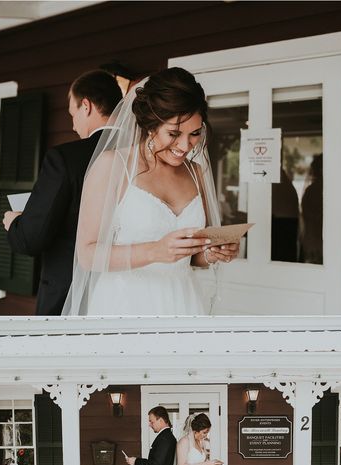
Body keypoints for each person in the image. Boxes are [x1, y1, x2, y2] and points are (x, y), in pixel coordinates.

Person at [64, 67, 240, 316]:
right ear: (150, 125)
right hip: (124, 305)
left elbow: (193, 256)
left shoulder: (196, 172)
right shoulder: (113, 166)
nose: (184, 146)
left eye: (195, 134)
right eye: (174, 133)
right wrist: (154, 251)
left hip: (183, 301)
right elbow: (87, 254)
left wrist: (212, 252)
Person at [3, 70, 122, 315]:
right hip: (126, 291)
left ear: (86, 106)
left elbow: (32, 238)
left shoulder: (65, 159)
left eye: (73, 113)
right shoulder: (144, 156)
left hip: (69, 295)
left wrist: (16, 223)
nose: (72, 123)